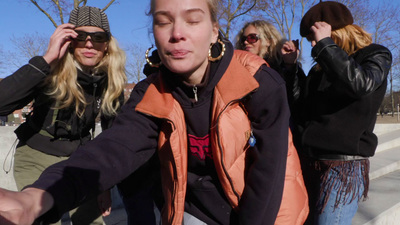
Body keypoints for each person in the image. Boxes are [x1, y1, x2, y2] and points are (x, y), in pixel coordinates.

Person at [0, 0, 289, 224]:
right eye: (163, 22)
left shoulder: (258, 82)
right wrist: (37, 198)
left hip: (266, 211)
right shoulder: (151, 92)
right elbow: (115, 147)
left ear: (214, 29)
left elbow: (268, 179)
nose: (177, 34)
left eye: (192, 20)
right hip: (192, 212)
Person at [0, 6, 127, 225]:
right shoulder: (51, 69)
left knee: (93, 221)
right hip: (36, 154)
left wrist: (105, 185)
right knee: (45, 218)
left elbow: (112, 136)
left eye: (98, 37)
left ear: (106, 45)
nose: (89, 43)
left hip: (81, 159)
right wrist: (47, 58)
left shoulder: (111, 82)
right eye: (80, 36)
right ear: (68, 40)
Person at [288, 1, 392, 224]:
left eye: (315, 38)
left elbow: (361, 84)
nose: (314, 45)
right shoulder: (321, 68)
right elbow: (302, 108)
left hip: (343, 168)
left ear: (335, 33)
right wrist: (291, 69)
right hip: (309, 162)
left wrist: (325, 44)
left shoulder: (375, 55)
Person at [235, 20, 309, 225]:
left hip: (280, 147)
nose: (246, 42)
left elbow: (296, 103)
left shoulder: (280, 69)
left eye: (252, 38)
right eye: (243, 39)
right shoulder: (237, 69)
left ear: (268, 41)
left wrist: (291, 66)